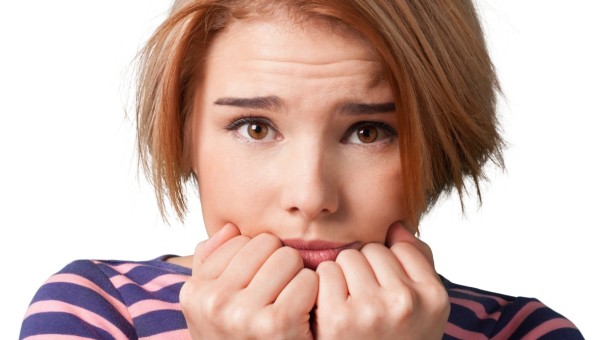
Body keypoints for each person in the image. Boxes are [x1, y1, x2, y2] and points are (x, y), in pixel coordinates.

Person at [19, 0, 583, 338]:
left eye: (368, 132)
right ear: (184, 133)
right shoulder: (97, 310)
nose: (310, 196)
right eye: (256, 127)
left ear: (441, 141)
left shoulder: (522, 335)